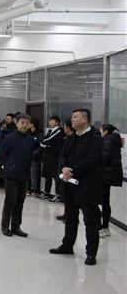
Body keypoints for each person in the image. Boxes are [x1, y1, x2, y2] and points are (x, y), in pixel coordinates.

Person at [50, 109, 103, 266]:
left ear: (85, 119)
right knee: (70, 217)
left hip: (87, 186)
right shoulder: (71, 138)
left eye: (75, 117)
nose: (72, 120)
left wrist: (72, 170)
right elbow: (62, 156)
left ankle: (91, 252)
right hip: (70, 184)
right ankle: (67, 245)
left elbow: (92, 159)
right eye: (72, 117)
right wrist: (64, 168)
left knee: (90, 220)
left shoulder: (95, 138)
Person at [0, 114, 37, 237]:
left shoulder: (31, 140)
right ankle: (5, 225)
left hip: (24, 173)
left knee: (20, 200)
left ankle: (16, 226)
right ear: (17, 123)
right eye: (22, 122)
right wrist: (7, 165)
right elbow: (2, 154)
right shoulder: (9, 138)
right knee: (10, 200)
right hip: (11, 173)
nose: (24, 125)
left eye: (27, 123)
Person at [99, 124, 123, 238]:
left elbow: (104, 158)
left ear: (106, 131)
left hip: (105, 175)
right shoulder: (114, 141)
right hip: (109, 175)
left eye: (101, 130)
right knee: (105, 201)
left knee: (103, 201)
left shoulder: (107, 142)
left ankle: (104, 227)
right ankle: (105, 226)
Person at [39, 116, 65, 200]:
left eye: (52, 121)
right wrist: (46, 144)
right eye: (50, 121)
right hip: (48, 156)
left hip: (55, 157)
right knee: (47, 175)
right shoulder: (50, 131)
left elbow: (49, 141)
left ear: (57, 122)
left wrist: (46, 144)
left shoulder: (59, 131)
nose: (50, 122)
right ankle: (46, 192)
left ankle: (58, 194)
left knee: (56, 176)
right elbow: (42, 141)